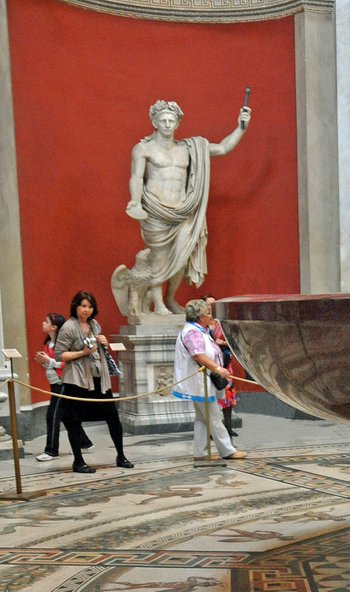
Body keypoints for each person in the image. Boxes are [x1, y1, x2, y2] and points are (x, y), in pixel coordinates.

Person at [113, 99, 251, 319]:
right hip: (156, 210)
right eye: (163, 120)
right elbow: (137, 177)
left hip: (183, 211)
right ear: (154, 122)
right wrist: (135, 202)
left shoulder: (189, 149)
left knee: (182, 257)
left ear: (177, 124)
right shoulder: (143, 149)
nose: (167, 124)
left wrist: (241, 128)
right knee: (158, 257)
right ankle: (157, 303)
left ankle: (169, 298)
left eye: (172, 120)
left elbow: (223, 148)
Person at [54, 292, 133, 474]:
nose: (86, 310)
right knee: (74, 421)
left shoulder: (94, 324)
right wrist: (82, 353)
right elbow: (60, 354)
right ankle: (78, 461)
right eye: (83, 306)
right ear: (76, 307)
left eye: (89, 306)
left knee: (113, 417)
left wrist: (103, 342)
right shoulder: (68, 327)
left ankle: (121, 455)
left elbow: (96, 349)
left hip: (98, 379)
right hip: (77, 381)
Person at [173, 299, 245, 461]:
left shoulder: (199, 330)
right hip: (200, 382)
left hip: (203, 381)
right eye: (208, 313)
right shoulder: (192, 333)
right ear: (200, 317)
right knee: (213, 416)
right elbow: (198, 355)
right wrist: (218, 368)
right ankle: (228, 450)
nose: (211, 316)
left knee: (202, 418)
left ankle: (200, 452)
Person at [33, 312, 92, 461]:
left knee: (52, 415)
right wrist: (44, 361)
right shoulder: (48, 344)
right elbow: (51, 363)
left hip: (63, 382)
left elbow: (68, 363)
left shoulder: (63, 343)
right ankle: (84, 442)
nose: (42, 323)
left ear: (54, 327)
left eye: (46, 322)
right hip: (55, 382)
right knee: (67, 415)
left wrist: (49, 361)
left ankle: (51, 450)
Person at [204, 294, 238, 438]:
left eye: (214, 304)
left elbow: (234, 341)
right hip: (210, 365)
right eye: (208, 305)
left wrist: (222, 343)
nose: (211, 307)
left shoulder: (222, 323)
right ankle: (213, 430)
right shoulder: (202, 326)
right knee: (211, 398)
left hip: (225, 363)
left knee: (227, 398)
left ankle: (228, 427)